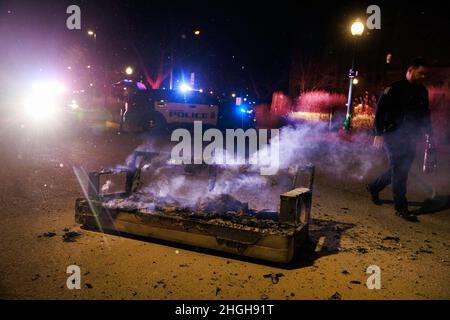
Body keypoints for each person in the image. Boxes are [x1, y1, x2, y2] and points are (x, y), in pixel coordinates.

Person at [367, 57, 433, 222]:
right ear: (410, 70)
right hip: (392, 135)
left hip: (412, 136)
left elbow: (425, 113)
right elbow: (380, 112)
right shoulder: (394, 89)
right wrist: (378, 133)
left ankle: (374, 186)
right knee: (400, 170)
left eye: (425, 74)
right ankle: (401, 208)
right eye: (421, 73)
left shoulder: (422, 91)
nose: (423, 77)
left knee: (399, 170)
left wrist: (429, 132)